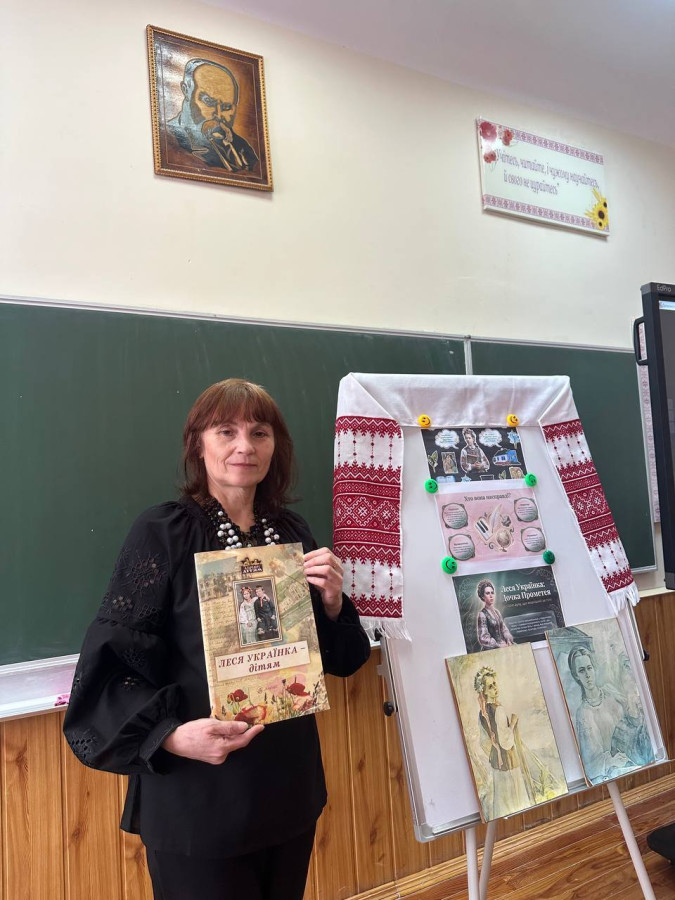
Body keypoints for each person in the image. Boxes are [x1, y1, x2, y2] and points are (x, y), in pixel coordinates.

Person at [63, 378, 371, 900]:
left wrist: (334, 602)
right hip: (199, 795)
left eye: (259, 433)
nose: (244, 446)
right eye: (226, 431)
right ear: (198, 445)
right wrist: (171, 737)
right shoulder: (163, 534)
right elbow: (113, 667)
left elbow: (341, 660)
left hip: (287, 788)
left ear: (275, 447)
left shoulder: (291, 534)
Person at [166, 59, 259, 172]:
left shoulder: (243, 149)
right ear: (185, 91)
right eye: (209, 102)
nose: (218, 116)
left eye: (226, 107)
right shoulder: (167, 140)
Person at [568, 646, 635, 782]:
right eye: (581, 670)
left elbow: (633, 718)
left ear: (594, 668)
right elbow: (591, 764)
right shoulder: (583, 713)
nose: (587, 674)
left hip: (635, 754)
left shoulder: (610, 692)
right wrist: (611, 761)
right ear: (576, 676)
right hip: (615, 771)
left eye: (589, 668)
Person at [474, 666, 531, 819]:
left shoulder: (482, 713)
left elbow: (484, 741)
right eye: (490, 686)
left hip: (496, 761)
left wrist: (494, 750)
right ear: (484, 692)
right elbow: (505, 741)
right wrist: (512, 723)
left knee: (502, 798)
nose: (495, 688)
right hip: (508, 759)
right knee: (514, 798)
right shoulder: (498, 709)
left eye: (495, 684)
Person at [475, 578, 515, 650]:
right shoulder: (482, 614)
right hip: (492, 648)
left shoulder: (497, 612)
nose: (491, 596)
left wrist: (508, 640)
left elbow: (504, 629)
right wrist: (498, 645)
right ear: (483, 596)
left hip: (504, 644)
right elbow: (483, 638)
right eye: (487, 593)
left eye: (492, 593)